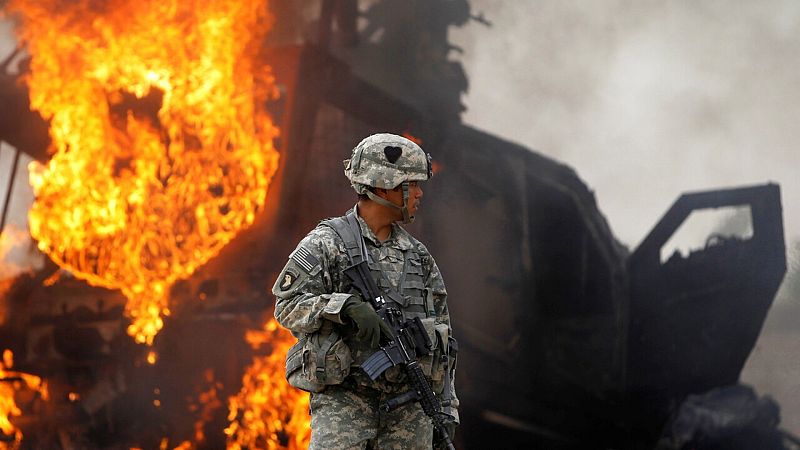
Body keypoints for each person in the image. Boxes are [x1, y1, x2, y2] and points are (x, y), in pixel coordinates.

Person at [273, 133, 458, 449]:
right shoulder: (327, 244)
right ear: (384, 184)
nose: (419, 193)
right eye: (411, 184)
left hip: (409, 406)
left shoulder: (418, 257)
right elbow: (287, 306)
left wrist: (446, 409)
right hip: (347, 403)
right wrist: (343, 307)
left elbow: (443, 339)